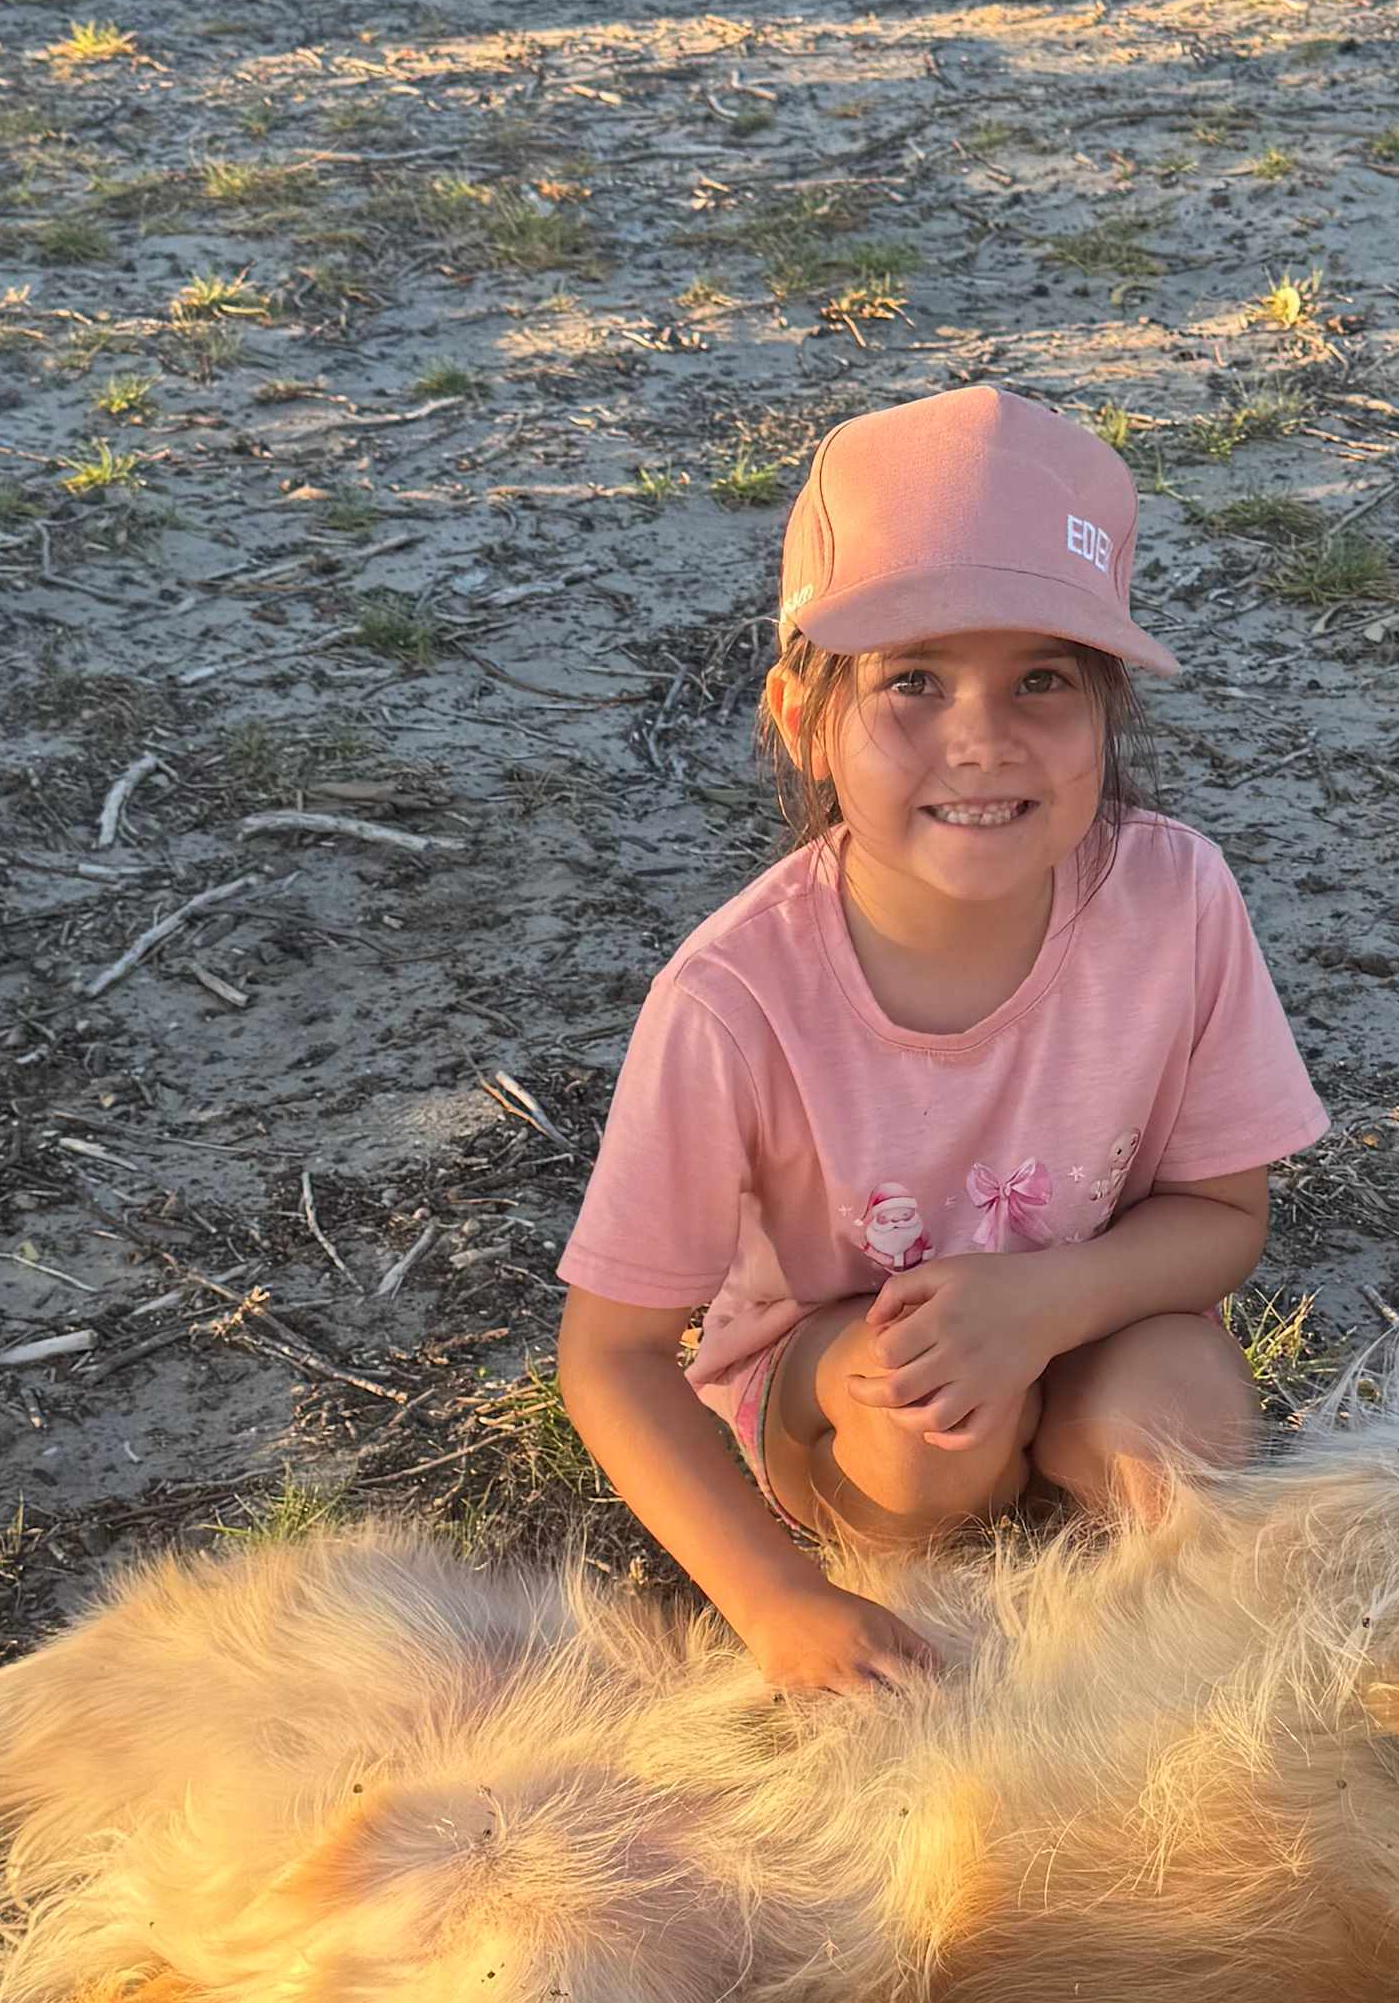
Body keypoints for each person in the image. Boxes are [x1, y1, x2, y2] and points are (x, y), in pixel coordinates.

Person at [558, 383, 1328, 1698]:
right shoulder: (732, 1004)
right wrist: (778, 1602)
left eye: (1044, 680)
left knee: (1183, 1421)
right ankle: (914, 1568)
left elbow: (1221, 1216)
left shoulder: (1176, 898)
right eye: (913, 681)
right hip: (843, 1390)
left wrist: (1041, 1306)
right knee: (928, 1431)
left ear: (1106, 719)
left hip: (1094, 1321)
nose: (981, 739)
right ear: (803, 721)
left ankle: (1119, 1631)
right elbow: (611, 1355)